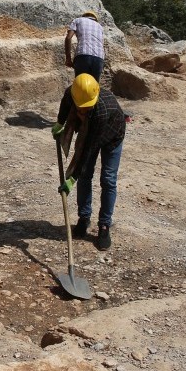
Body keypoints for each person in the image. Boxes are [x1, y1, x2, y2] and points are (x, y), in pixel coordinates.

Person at [54, 73, 127, 252]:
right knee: (85, 175)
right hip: (93, 131)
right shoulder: (73, 93)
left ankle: (104, 226)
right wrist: (59, 124)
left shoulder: (102, 111)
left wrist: (71, 179)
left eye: (87, 108)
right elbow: (65, 106)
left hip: (112, 135)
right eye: (81, 108)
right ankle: (83, 218)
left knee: (108, 179)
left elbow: (87, 150)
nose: (84, 110)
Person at [63, 10, 105, 80]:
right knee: (94, 87)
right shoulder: (100, 26)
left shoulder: (78, 20)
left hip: (83, 55)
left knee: (81, 84)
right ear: (95, 19)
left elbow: (68, 38)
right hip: (99, 57)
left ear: (84, 16)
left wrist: (68, 58)